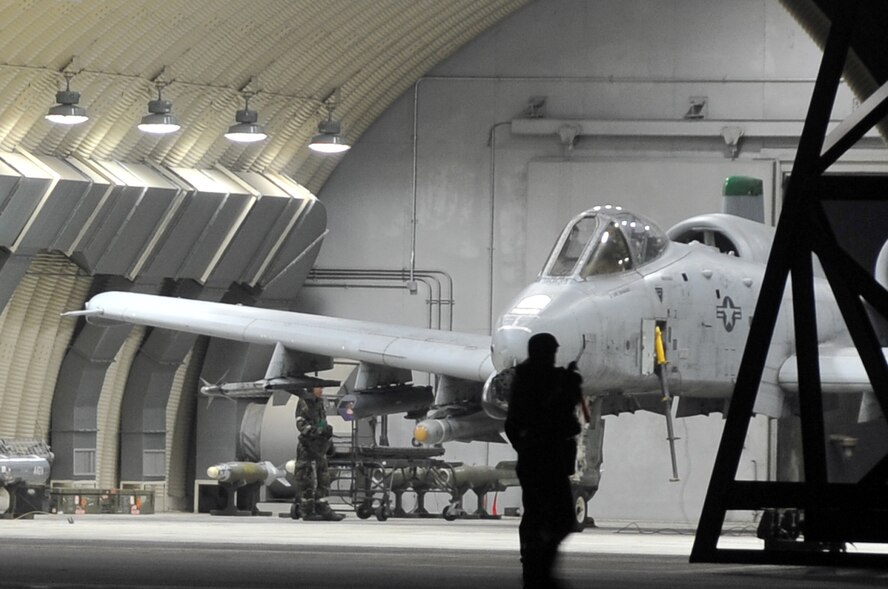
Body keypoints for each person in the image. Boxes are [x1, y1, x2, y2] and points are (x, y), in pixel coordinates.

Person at [505, 333, 584, 589]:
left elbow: (514, 426)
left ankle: (534, 565)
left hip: (534, 460)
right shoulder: (544, 381)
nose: (553, 358)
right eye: (551, 353)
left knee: (536, 515)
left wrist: (527, 449)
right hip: (548, 461)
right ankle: (539, 567)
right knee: (559, 518)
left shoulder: (525, 379)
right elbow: (562, 420)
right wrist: (569, 389)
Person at [293, 386, 344, 521]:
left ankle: (322, 507)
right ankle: (307, 510)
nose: (321, 390)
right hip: (307, 446)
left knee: (323, 477)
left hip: (320, 446)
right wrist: (315, 432)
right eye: (318, 388)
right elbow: (301, 424)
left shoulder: (320, 402)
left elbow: (322, 421)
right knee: (306, 477)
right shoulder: (304, 402)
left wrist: (327, 434)